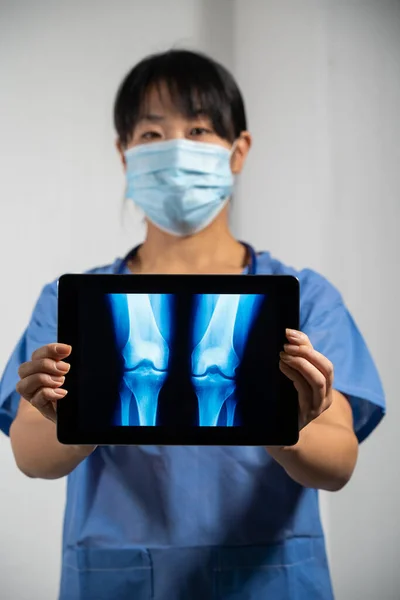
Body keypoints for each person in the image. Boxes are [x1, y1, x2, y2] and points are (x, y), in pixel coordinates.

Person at [0, 49, 385, 600]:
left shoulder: (303, 297)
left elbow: (338, 458)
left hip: (272, 582)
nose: (176, 148)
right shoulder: (71, 302)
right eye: (152, 134)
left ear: (238, 150)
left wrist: (282, 426)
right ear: (124, 153)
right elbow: (30, 452)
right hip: (120, 581)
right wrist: (75, 415)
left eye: (199, 128)